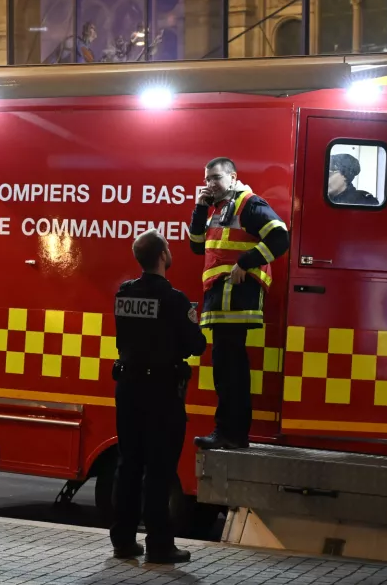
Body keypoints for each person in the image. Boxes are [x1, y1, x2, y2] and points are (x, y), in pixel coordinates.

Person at [109, 229, 207, 564]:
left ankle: (122, 541)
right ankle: (160, 545)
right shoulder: (174, 299)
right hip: (161, 392)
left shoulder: (124, 294)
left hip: (129, 388)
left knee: (129, 465)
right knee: (159, 469)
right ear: (163, 256)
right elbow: (196, 345)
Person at [190, 158, 290, 450]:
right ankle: (231, 434)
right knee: (226, 366)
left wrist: (246, 262)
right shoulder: (220, 209)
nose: (210, 184)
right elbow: (197, 245)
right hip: (221, 297)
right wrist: (199, 207)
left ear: (233, 177)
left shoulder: (249, 203)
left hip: (236, 295)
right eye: (207, 179)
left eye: (216, 178)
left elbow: (280, 237)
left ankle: (230, 433)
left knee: (229, 367)